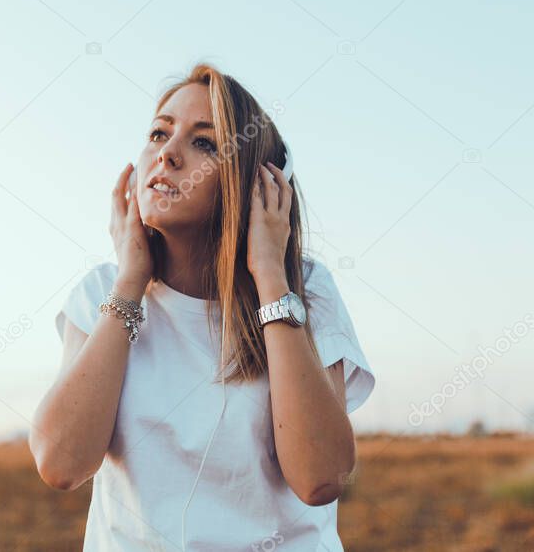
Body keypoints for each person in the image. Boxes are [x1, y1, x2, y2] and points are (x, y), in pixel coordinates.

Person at [29, 63, 376, 550]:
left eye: (204, 143)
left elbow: (320, 477)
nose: (167, 155)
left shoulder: (307, 289)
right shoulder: (103, 292)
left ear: (259, 186)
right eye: (159, 133)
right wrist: (131, 283)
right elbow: (61, 464)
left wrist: (271, 278)